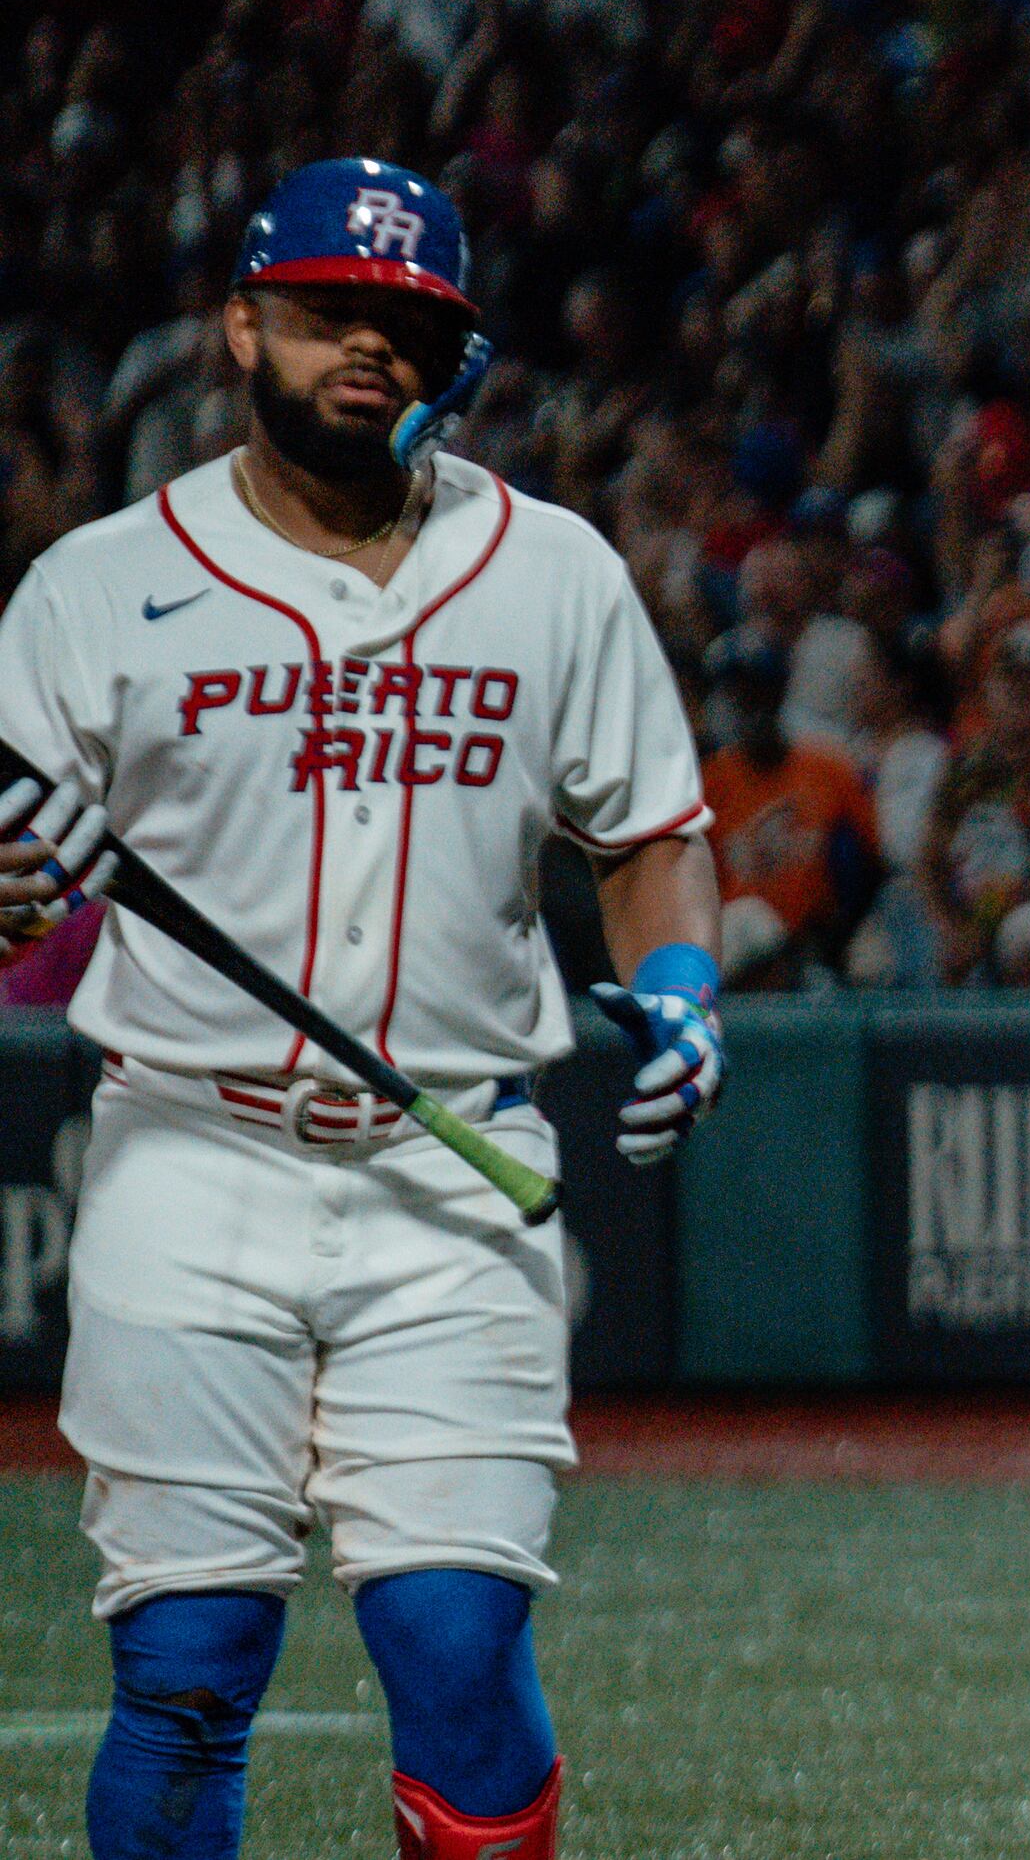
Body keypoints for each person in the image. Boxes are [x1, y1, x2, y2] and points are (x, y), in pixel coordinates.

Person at [0, 158, 730, 1860]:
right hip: (190, 1156)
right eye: (329, 313)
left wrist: (688, 984)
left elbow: (653, 837)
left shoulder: (551, 571)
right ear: (240, 326)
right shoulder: (100, 586)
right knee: (188, 1663)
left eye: (406, 325)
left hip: (451, 1169)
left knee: (459, 1643)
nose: (368, 352)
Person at [696, 629, 882, 984]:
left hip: (820, 944)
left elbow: (871, 865)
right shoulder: (708, 782)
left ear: (780, 694)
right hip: (738, 947)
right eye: (742, 696)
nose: (752, 706)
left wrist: (835, 934)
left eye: (761, 693)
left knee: (869, 965)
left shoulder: (829, 768)